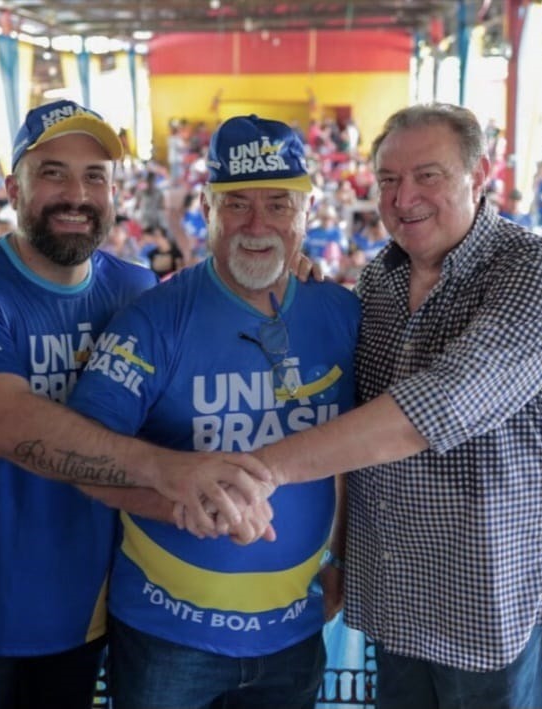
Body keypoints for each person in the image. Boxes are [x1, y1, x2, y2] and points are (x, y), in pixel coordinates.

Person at [180, 103, 542, 709]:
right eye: (389, 179)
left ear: (478, 176)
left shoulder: (530, 269)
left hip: (488, 602)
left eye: (428, 176)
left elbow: (441, 404)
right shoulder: (379, 282)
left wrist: (258, 471)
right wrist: (298, 291)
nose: (404, 197)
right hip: (399, 597)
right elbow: (350, 420)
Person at [68, 114, 361, 709]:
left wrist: (342, 558)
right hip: (165, 637)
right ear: (206, 208)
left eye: (278, 204)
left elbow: (356, 454)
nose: (257, 224)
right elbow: (80, 456)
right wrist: (178, 502)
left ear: (307, 211)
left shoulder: (341, 313)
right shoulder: (154, 319)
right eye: (237, 204)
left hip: (294, 632)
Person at [0, 99, 164, 709]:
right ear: (13, 188)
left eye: (94, 176)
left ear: (114, 192)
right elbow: (4, 424)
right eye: (53, 173)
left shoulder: (136, 288)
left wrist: (285, 279)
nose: (77, 195)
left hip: (79, 600)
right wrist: (168, 473)